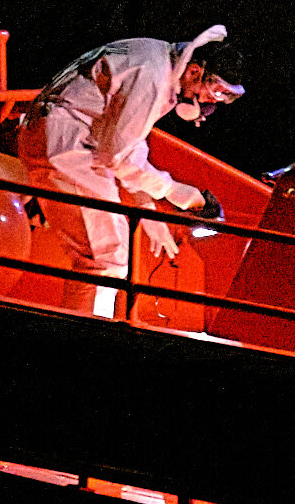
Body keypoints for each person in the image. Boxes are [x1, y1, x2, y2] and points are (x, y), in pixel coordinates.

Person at [19, 26, 245, 315]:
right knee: (105, 258)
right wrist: (172, 190)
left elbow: (126, 141)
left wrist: (147, 208)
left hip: (66, 143)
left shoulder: (153, 57)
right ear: (194, 72)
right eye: (216, 92)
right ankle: (87, 337)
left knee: (106, 255)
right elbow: (118, 155)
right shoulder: (152, 78)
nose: (214, 102)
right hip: (67, 150)